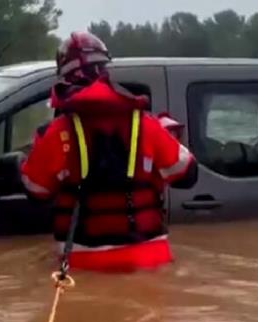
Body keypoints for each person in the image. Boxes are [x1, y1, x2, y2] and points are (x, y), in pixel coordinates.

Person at [19, 31, 197, 273]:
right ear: (104, 71)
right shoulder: (148, 125)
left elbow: (36, 190)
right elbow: (188, 174)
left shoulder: (54, 134)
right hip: (149, 261)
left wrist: (25, 159)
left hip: (83, 264)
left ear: (64, 77)